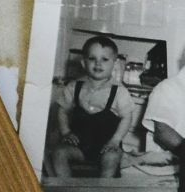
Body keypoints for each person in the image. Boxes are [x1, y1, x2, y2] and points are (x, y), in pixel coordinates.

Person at [46, 34, 139, 178]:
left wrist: (116, 140)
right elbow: (62, 110)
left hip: (107, 146)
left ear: (114, 65)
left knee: (112, 158)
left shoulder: (119, 91)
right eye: (92, 59)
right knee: (58, 153)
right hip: (79, 147)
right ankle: (66, 188)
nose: (98, 64)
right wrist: (65, 132)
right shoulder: (73, 87)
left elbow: (127, 116)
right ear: (83, 63)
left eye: (105, 59)